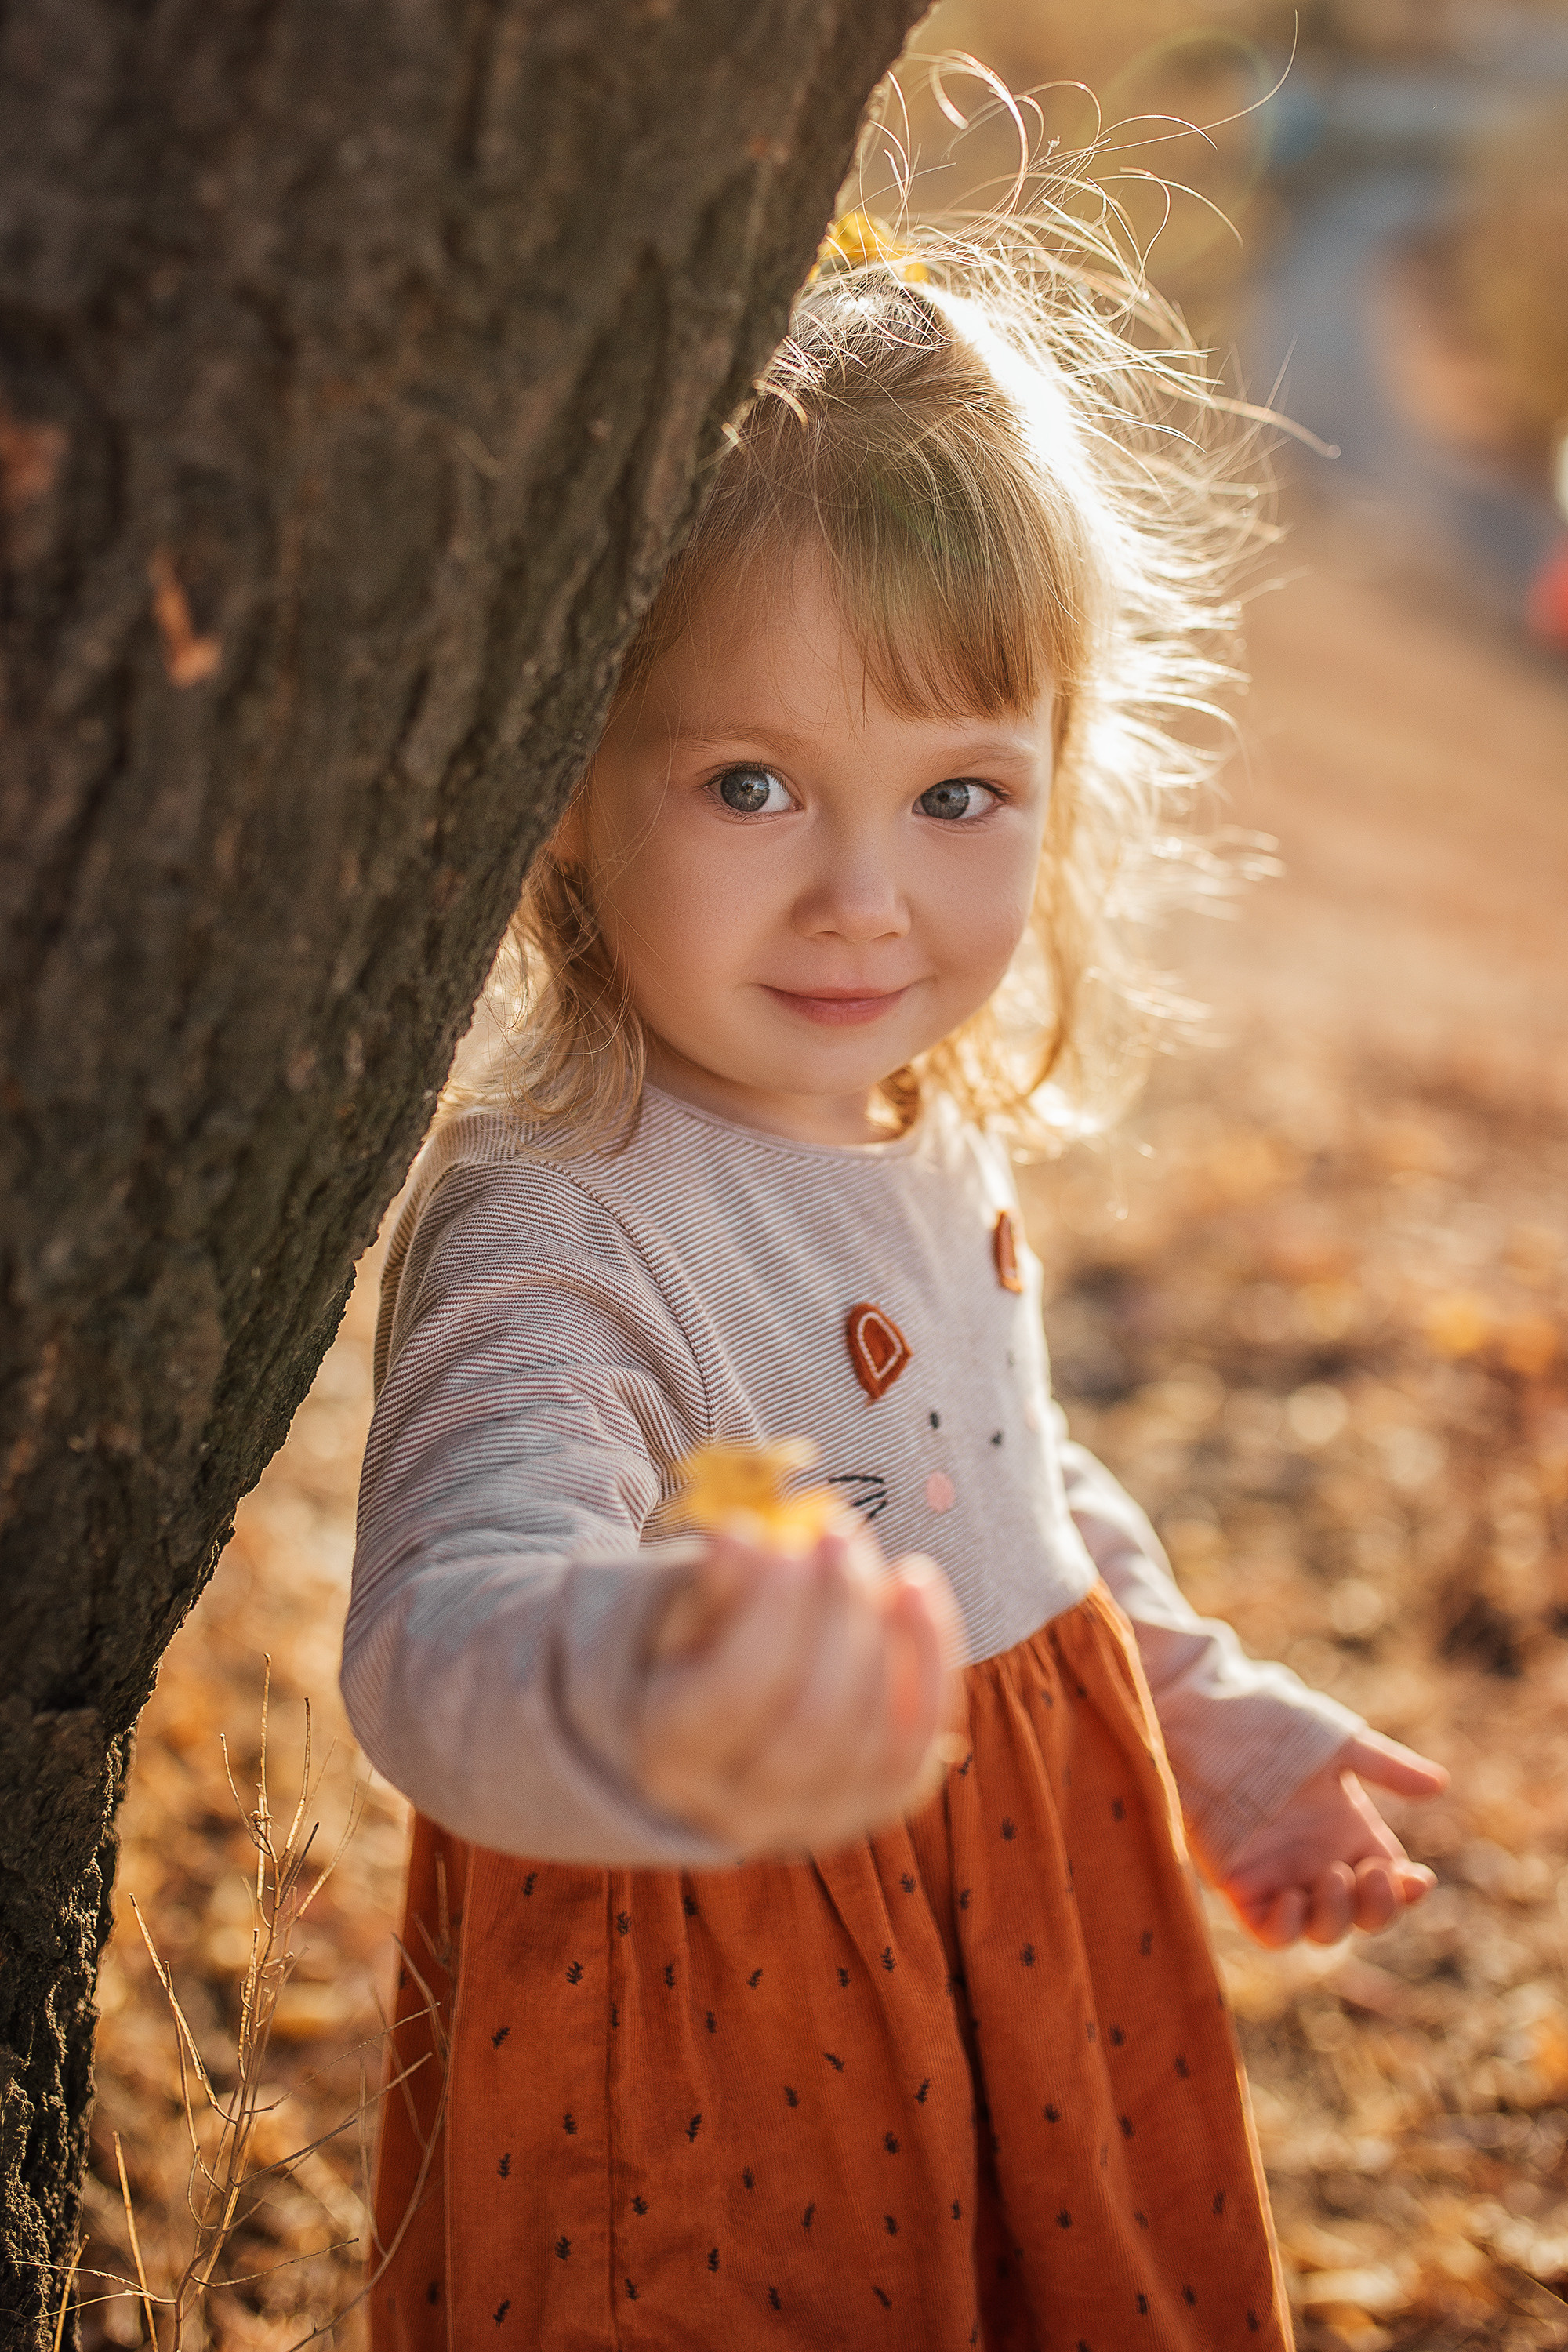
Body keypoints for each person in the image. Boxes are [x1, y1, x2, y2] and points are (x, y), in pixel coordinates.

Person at [344, 197, 1446, 2351]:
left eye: (957, 794)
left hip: (1029, 1948)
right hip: (718, 2046)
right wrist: (656, 1685)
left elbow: (1008, 1484)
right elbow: (443, 1618)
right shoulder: (566, 1218)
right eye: (752, 782)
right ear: (564, 780)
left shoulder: (920, 1122)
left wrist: (1203, 1711)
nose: (864, 897)